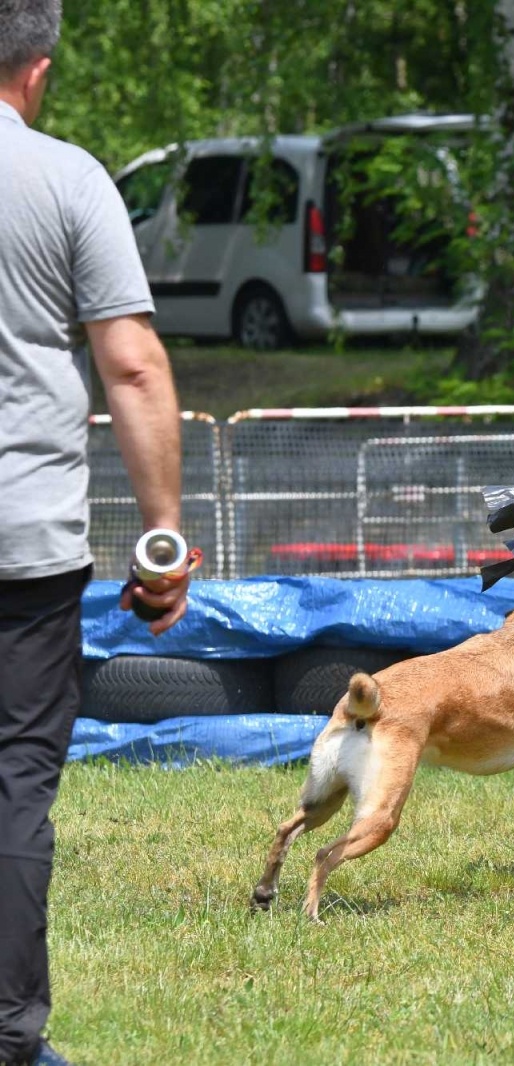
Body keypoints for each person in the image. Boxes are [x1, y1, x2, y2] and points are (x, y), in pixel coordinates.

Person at [1, 3, 192, 1063]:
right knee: (16, 781)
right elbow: (130, 365)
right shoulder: (70, 180)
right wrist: (162, 535)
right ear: (37, 70)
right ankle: (10, 1042)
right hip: (23, 543)